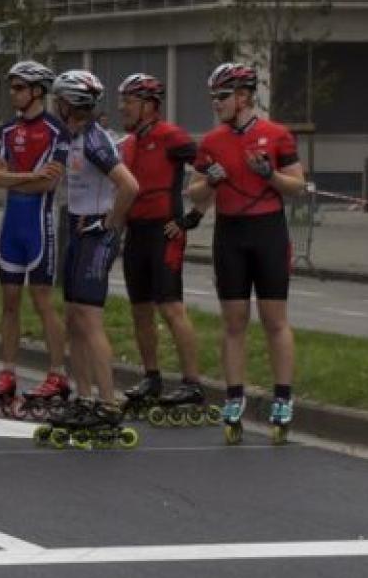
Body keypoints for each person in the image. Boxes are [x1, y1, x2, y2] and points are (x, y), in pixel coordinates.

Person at [186, 62, 309, 443]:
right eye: (213, 97)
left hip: (268, 231)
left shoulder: (277, 135)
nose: (215, 103)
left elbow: (298, 186)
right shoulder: (212, 141)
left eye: (221, 97)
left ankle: (283, 398)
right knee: (234, 321)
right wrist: (210, 181)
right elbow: (193, 192)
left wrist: (270, 175)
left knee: (274, 320)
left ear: (243, 97)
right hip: (230, 234)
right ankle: (234, 396)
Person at [0, 59, 71, 419]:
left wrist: (13, 178)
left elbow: (48, 184)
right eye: (12, 87)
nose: (13, 93)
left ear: (37, 91)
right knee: (9, 302)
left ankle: (57, 373)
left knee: (42, 301)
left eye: (19, 88)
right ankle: (7, 372)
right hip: (10, 226)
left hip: (39, 224)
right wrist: (29, 176)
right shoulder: (7, 129)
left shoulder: (56, 130)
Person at [116, 73, 208, 420]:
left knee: (170, 308)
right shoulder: (128, 143)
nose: (123, 107)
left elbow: (213, 170)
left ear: (149, 105)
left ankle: (192, 383)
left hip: (164, 231)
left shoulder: (171, 136)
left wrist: (193, 216)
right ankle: (151, 377)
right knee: (140, 309)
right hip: (135, 232)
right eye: (123, 100)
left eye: (129, 101)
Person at [50, 71, 139, 420]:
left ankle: (108, 403)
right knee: (73, 317)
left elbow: (130, 186)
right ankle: (84, 397)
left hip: (97, 232)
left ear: (69, 104)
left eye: (58, 101)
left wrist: (110, 223)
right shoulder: (72, 135)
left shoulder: (94, 141)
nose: (55, 106)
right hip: (76, 227)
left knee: (89, 319)